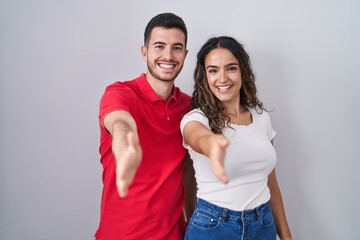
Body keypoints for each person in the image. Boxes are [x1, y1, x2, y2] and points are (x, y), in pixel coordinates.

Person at [95, 13, 196, 240]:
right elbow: (119, 121)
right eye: (159, 46)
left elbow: (189, 174)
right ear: (144, 52)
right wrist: (124, 139)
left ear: (185, 55)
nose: (168, 55)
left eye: (177, 48)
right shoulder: (120, 93)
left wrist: (195, 224)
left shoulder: (190, 108)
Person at [180, 36, 292, 240]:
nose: (222, 79)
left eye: (230, 68)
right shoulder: (197, 119)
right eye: (213, 70)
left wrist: (287, 236)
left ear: (242, 72)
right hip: (213, 228)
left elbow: (271, 181)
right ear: (205, 76)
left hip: (263, 224)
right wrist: (211, 143)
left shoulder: (261, 118)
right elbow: (196, 135)